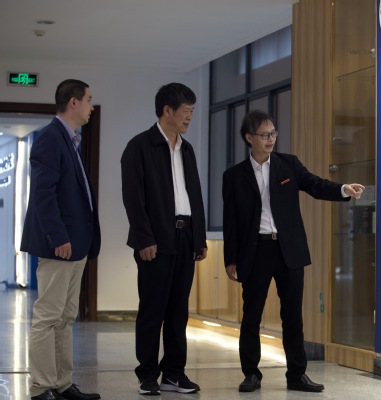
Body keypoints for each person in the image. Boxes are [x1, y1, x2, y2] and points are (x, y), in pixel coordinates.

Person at [222, 110, 364, 393]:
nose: (271, 139)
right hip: (255, 251)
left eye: (273, 133)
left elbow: (315, 184)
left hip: (288, 250)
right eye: (265, 134)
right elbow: (231, 220)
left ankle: (297, 375)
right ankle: (251, 374)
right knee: (252, 316)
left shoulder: (288, 164)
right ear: (249, 137)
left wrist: (343, 189)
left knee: (293, 316)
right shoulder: (234, 176)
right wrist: (231, 259)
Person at [121, 82, 208, 396]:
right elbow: (133, 198)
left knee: (178, 311)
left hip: (185, 237)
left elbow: (194, 194)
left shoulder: (187, 149)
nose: (190, 117)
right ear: (167, 110)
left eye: (192, 111)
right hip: (154, 241)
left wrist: (199, 238)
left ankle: (173, 373)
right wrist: (144, 239)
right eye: (186, 111)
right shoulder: (139, 146)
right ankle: (147, 374)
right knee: (152, 310)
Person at [21, 79, 101, 400]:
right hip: (60, 244)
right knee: (48, 317)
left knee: (66, 318)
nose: (91, 106)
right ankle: (42, 387)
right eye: (89, 100)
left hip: (77, 245)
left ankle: (62, 384)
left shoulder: (72, 140)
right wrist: (58, 236)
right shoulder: (50, 138)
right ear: (73, 102)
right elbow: (43, 194)